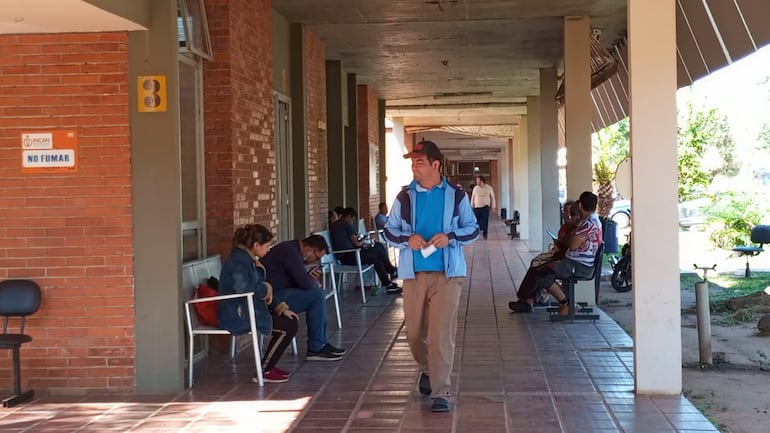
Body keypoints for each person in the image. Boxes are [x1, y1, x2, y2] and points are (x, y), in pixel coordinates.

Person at [383, 140, 479, 413]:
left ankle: (441, 390)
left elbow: (472, 229)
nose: (414, 167)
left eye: (420, 162)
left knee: (441, 335)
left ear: (436, 164)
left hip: (448, 276)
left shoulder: (456, 195)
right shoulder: (404, 197)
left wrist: (449, 237)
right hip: (414, 275)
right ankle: (427, 368)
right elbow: (389, 231)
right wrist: (406, 238)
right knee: (414, 334)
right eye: (413, 162)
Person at [218, 224, 299, 383]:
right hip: (238, 314)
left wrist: (279, 307)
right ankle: (264, 370)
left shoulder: (246, 258)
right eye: (267, 246)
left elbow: (261, 288)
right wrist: (266, 289)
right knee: (287, 327)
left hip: (249, 308)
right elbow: (245, 288)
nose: (268, 250)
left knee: (289, 321)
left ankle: (266, 366)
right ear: (256, 245)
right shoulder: (239, 261)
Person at [509, 191, 603, 315]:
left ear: (580, 205)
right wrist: (571, 236)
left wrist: (570, 237)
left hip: (578, 266)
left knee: (542, 273)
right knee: (539, 267)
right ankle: (529, 300)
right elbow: (571, 240)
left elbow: (572, 244)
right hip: (573, 262)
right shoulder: (589, 221)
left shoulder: (589, 223)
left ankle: (565, 303)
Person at [260, 234, 347, 361]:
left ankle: (320, 343)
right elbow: (305, 284)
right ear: (309, 250)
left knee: (317, 294)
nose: (315, 261)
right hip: (271, 297)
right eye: (316, 257)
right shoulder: (290, 252)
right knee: (317, 296)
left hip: (278, 292)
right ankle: (316, 347)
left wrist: (309, 278)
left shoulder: (291, 249)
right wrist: (313, 282)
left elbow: (299, 279)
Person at [331, 207, 400, 293]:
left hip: (344, 256)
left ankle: (388, 284)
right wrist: (363, 241)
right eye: (352, 220)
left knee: (377, 259)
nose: (352, 222)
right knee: (378, 246)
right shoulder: (346, 224)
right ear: (348, 216)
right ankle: (391, 271)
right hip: (351, 255)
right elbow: (356, 243)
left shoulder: (336, 225)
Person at [470, 175, 495, 239]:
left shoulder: (489, 188)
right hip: (477, 207)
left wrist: (493, 206)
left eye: (478, 180)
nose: (477, 182)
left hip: (485, 207)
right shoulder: (475, 188)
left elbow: (493, 197)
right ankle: (475, 233)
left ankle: (485, 233)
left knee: (485, 221)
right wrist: (471, 206)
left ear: (481, 181)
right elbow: (473, 197)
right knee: (475, 221)